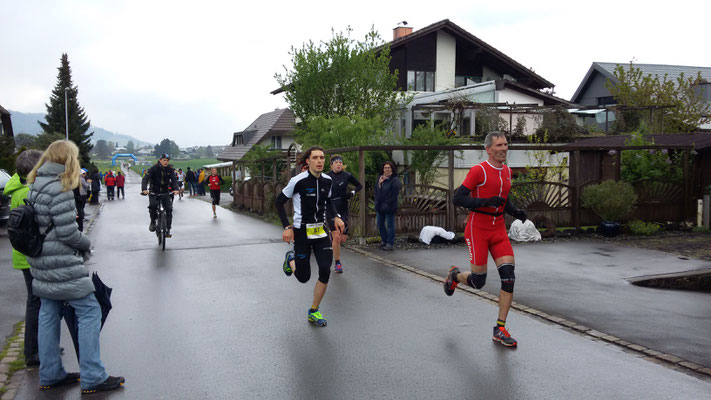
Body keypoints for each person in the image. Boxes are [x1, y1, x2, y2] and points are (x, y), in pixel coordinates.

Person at [26, 140, 124, 393]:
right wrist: (87, 242)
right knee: (90, 310)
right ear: (69, 159)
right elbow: (68, 233)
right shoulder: (60, 188)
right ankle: (93, 375)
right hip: (62, 262)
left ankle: (50, 373)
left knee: (48, 313)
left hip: (41, 261)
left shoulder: (35, 184)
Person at [443, 131, 528, 347]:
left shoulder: (508, 171)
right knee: (478, 281)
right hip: (478, 229)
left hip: (498, 229)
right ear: (488, 149)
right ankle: (455, 276)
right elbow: (458, 197)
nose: (504, 148)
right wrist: (484, 201)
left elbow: (503, 200)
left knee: (509, 276)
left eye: (506, 144)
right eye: (499, 145)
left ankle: (500, 328)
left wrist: (516, 212)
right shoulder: (478, 171)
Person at [275, 146, 344, 327]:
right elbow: (279, 202)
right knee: (303, 277)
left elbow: (328, 201)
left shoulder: (328, 181)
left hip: (320, 232)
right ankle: (290, 258)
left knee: (325, 270)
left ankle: (314, 310)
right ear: (308, 161)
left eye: (322, 157)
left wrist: (336, 216)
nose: (320, 161)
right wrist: (287, 227)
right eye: (315, 158)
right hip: (302, 232)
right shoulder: (298, 181)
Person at [5, 149, 43, 366]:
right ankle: (32, 351)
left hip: (23, 253)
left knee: (36, 301)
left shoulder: (16, 187)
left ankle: (38, 345)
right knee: (36, 302)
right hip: (30, 253)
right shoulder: (27, 192)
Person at [325, 154, 362, 273]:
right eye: (336, 162)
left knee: (342, 238)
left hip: (343, 207)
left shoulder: (347, 175)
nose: (338, 164)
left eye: (340, 162)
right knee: (336, 237)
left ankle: (334, 240)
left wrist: (351, 193)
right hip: (331, 208)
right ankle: (337, 263)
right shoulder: (326, 176)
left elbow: (359, 186)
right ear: (331, 165)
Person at [141, 154, 179, 237]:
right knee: (153, 206)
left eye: (167, 160)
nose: (166, 162)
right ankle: (153, 221)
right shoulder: (153, 168)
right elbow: (145, 179)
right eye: (164, 160)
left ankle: (168, 229)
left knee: (169, 209)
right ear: (160, 160)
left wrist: (176, 189)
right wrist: (144, 189)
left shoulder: (170, 169)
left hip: (165, 192)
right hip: (154, 191)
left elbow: (174, 179)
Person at [374, 161, 401, 251]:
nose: (387, 169)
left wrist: (386, 203)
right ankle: (384, 240)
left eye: (389, 167)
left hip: (389, 206)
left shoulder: (395, 180)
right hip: (380, 206)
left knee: (390, 225)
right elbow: (377, 191)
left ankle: (390, 243)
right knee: (380, 224)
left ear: (392, 169)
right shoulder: (380, 179)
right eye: (385, 168)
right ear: (383, 169)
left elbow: (394, 194)